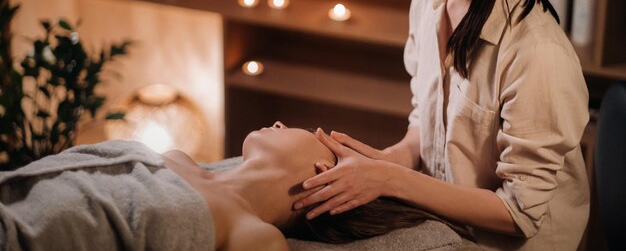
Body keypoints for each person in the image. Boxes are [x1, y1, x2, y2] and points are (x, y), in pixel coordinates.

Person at [294, 0, 590, 250]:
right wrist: (389, 160)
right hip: (444, 229)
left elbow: (519, 214)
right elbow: (428, 122)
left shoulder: (536, 52)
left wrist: (393, 180)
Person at [0, 122, 468, 251]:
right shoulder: (179, 158)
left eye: (306, 129)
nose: (282, 122)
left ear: (323, 173)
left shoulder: (253, 235)